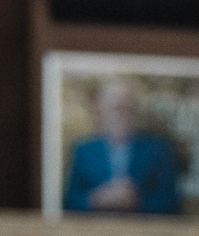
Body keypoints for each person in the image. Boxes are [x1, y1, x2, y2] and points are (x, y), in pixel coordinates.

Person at [61, 79, 181, 215]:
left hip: (143, 232)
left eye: (127, 107)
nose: (121, 114)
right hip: (94, 231)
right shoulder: (83, 150)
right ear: (101, 109)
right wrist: (97, 199)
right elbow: (69, 201)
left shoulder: (156, 149)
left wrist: (136, 201)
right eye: (116, 108)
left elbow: (171, 201)